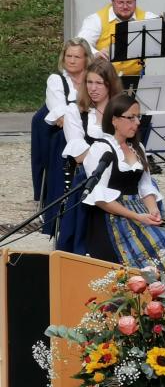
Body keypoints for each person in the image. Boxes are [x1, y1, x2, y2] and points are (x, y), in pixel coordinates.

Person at [81, 95, 165, 301]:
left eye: (138, 117)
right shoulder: (101, 149)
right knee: (162, 244)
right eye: (131, 118)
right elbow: (100, 198)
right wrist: (138, 217)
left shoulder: (137, 148)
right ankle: (161, 301)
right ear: (114, 119)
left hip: (138, 211)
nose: (137, 123)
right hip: (112, 217)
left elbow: (145, 185)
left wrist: (153, 210)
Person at [47, 61, 124, 251]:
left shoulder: (122, 111)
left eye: (99, 83)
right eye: (89, 82)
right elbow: (80, 156)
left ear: (110, 84)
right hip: (90, 177)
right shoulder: (75, 111)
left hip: (121, 174)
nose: (93, 88)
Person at [32, 38, 92, 204]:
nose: (71, 61)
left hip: (89, 127)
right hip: (62, 133)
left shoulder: (93, 79)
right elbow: (61, 117)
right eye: (68, 56)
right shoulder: (56, 80)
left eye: (77, 57)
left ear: (86, 58)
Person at [77, 0, 158, 90]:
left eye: (129, 2)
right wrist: (95, 53)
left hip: (134, 81)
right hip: (104, 81)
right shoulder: (96, 20)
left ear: (135, 0)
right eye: (120, 2)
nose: (125, 7)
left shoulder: (147, 18)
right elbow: (80, 43)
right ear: (112, 0)